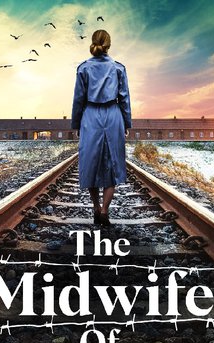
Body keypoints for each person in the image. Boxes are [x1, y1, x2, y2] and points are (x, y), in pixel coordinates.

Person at [71, 29, 132, 227]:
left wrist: (77, 123)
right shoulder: (119, 68)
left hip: (90, 116)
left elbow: (78, 100)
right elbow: (124, 99)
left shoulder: (83, 68)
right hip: (113, 115)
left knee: (91, 162)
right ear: (109, 44)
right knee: (113, 162)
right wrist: (127, 123)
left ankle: (96, 208)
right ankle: (105, 210)